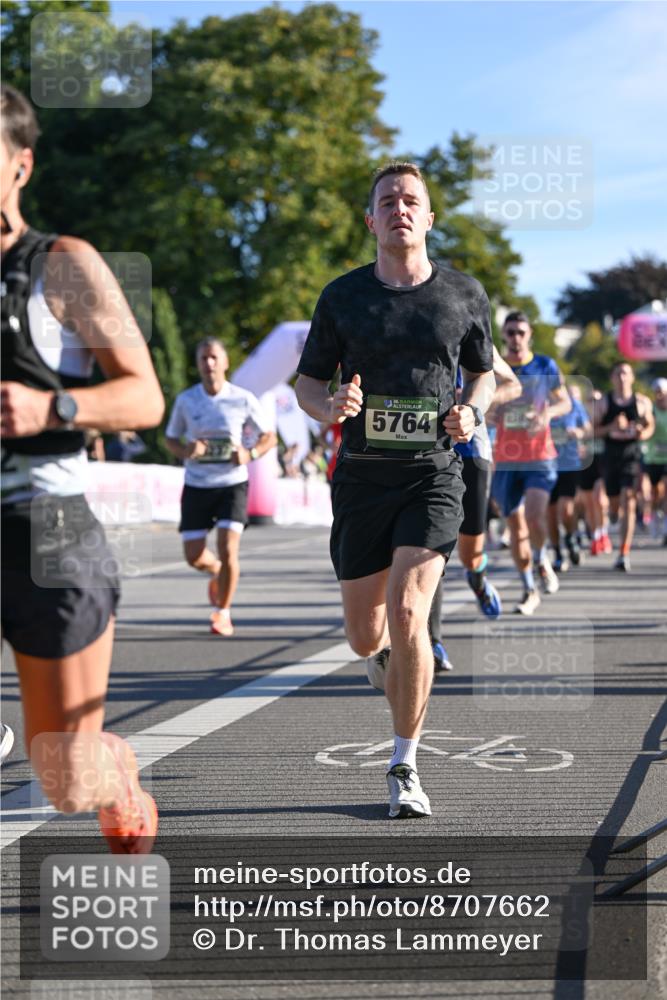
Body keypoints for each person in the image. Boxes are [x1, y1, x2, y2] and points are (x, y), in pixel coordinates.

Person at [295, 162, 495, 819]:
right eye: (387, 202)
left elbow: (483, 375)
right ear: (370, 219)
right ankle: (383, 663)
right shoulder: (342, 297)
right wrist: (330, 403)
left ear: (429, 218)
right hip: (361, 478)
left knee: (411, 612)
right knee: (363, 635)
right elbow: (306, 382)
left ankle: (403, 764)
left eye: (411, 201)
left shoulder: (462, 294)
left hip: (434, 473)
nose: (399, 210)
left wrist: (472, 411)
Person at [1, 83, 164, 852]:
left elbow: (145, 397)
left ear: (20, 166)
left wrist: (52, 410)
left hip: (45, 529)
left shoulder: (61, 264)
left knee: (62, 778)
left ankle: (111, 765)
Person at [165, 337, 277, 636]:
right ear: (198, 364)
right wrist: (187, 451)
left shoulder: (242, 398)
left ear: (225, 362)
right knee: (193, 556)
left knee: (228, 549)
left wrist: (249, 453)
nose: (209, 363)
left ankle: (222, 612)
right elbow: (171, 439)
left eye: (214, 357)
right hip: (197, 485)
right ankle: (216, 571)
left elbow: (269, 436)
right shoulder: (186, 400)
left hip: (232, 484)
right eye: (203, 358)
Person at [428, 345, 522, 651]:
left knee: (470, 554)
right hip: (426, 452)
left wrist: (472, 403)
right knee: (429, 550)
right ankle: (432, 642)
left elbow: (512, 385)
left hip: (472, 451)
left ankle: (478, 579)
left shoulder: (469, 329)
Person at [491, 312, 572, 615]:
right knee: (513, 522)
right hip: (506, 457)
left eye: (521, 333)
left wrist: (546, 415)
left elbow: (565, 402)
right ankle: (528, 587)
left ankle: (540, 558)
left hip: (540, 455)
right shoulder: (496, 368)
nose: (515, 338)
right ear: (504, 335)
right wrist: (490, 413)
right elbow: (481, 406)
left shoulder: (545, 365)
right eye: (510, 332)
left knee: (536, 517)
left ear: (530, 335)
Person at [595, 361, 655, 571]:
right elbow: (593, 430)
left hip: (631, 455)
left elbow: (650, 427)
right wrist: (611, 427)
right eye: (618, 373)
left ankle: (624, 553)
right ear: (612, 378)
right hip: (611, 456)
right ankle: (612, 514)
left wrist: (641, 433)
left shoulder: (641, 402)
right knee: (614, 506)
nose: (622, 377)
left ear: (632, 378)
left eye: (626, 373)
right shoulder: (604, 402)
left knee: (629, 501)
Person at [547, 383, 591, 571]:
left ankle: (571, 537)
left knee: (566, 509)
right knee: (550, 513)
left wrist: (579, 432)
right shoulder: (540, 404)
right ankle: (557, 552)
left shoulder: (574, 404)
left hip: (569, 464)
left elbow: (587, 429)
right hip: (545, 464)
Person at [579, 388, 612, 556]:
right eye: (590, 399)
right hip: (585, 465)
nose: (593, 403)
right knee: (589, 505)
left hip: (602, 464)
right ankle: (595, 536)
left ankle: (603, 533)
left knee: (599, 500)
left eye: (597, 400)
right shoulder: (580, 420)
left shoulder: (606, 420)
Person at [642, 377, 667, 545]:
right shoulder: (650, 411)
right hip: (652, 457)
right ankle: (655, 514)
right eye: (657, 392)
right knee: (654, 493)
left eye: (663, 392)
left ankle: (665, 526)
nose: (660, 396)